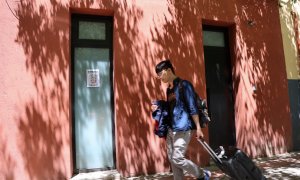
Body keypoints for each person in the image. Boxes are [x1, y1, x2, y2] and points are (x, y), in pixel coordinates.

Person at [151, 59, 211, 180]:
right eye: (158, 76)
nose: (159, 78)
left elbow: (192, 107)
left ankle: (202, 174)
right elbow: (170, 108)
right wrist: (158, 107)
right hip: (171, 129)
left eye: (160, 74)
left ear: (168, 70)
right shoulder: (169, 89)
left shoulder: (184, 85)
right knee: (173, 161)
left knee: (177, 158)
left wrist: (198, 128)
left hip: (184, 128)